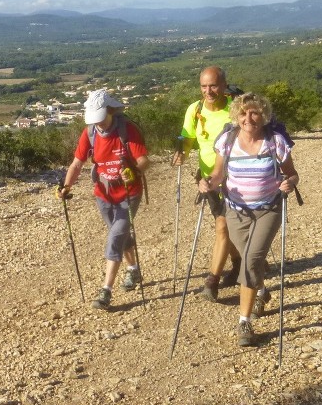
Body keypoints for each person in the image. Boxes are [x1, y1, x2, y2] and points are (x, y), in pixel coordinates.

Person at [200, 93, 300, 347]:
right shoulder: (228, 140)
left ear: (263, 115)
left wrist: (289, 183)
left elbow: (292, 174)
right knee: (250, 261)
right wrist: (208, 184)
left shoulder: (275, 141)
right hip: (235, 210)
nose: (248, 118)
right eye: (243, 113)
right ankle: (262, 291)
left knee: (251, 259)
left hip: (269, 209)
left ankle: (244, 322)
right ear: (236, 116)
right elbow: (218, 174)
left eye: (254, 112)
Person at [57, 89, 150, 310]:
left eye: (101, 119)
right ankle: (133, 270)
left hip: (129, 193)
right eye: (95, 121)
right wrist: (66, 186)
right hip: (103, 195)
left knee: (115, 238)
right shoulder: (90, 133)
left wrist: (135, 172)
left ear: (110, 111)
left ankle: (105, 291)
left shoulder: (127, 130)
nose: (99, 125)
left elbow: (144, 160)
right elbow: (77, 163)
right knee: (120, 235)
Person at [172, 66, 242, 301]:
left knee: (222, 227)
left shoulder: (236, 109)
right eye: (204, 86)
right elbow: (188, 137)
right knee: (225, 226)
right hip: (208, 179)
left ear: (223, 85)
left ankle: (212, 282)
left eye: (213, 85)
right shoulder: (195, 110)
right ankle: (238, 262)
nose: (208, 91)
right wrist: (183, 151)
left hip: (237, 179)